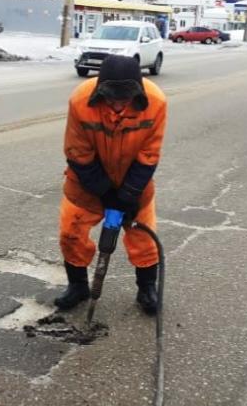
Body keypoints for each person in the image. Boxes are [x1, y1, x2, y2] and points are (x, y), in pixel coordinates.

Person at [56, 55, 167, 315]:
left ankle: (146, 289)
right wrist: (107, 194)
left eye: (124, 99)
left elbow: (149, 154)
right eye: (112, 99)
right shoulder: (81, 101)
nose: (118, 106)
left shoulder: (156, 102)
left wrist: (128, 195)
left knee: (143, 238)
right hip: (86, 183)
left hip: (135, 185)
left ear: (137, 93)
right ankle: (78, 286)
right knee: (70, 233)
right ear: (100, 92)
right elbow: (78, 153)